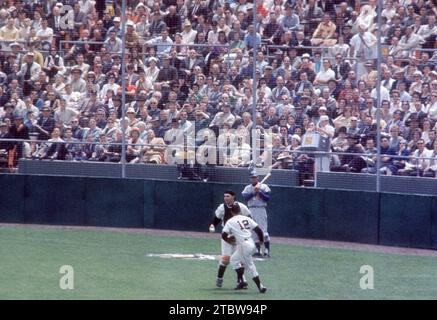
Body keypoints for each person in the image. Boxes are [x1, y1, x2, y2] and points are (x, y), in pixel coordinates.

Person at [209, 190, 251, 288]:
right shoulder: (222, 207)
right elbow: (216, 219)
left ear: (233, 197)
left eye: (228, 196)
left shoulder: (242, 207)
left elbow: (249, 219)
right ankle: (219, 278)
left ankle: (241, 281)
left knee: (240, 260)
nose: (225, 198)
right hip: (226, 235)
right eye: (224, 196)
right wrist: (212, 225)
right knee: (226, 259)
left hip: (239, 236)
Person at [221, 203, 267, 293]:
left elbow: (224, 235)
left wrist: (229, 241)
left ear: (231, 211)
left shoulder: (230, 221)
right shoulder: (247, 218)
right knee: (233, 260)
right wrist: (261, 241)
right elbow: (259, 230)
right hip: (250, 243)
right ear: (240, 210)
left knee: (250, 265)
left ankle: (261, 287)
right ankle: (242, 281)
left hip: (243, 245)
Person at [242, 171, 271, 258]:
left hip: (260, 209)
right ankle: (258, 250)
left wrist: (260, 192)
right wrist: (254, 193)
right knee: (253, 231)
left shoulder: (264, 187)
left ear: (258, 178)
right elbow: (246, 198)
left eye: (255, 177)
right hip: (251, 209)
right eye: (252, 177)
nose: (253, 179)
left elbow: (267, 198)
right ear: (250, 179)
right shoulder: (247, 188)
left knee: (263, 231)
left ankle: (266, 250)